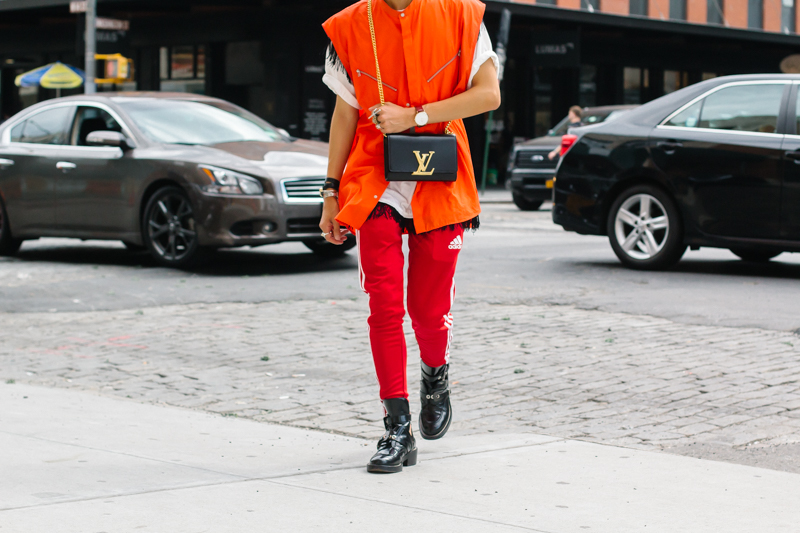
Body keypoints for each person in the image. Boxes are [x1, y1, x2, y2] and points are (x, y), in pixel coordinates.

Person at [320, 0, 500, 473]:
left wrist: (415, 116)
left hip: (440, 176)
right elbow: (344, 114)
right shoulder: (348, 26)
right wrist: (330, 193)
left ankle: (435, 377)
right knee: (384, 303)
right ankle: (396, 427)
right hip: (372, 178)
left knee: (427, 308)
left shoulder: (462, 16)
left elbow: (488, 95)